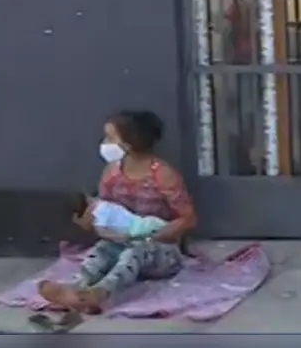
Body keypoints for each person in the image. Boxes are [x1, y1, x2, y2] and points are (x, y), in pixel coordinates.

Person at [39, 110, 196, 312]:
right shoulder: (112, 173)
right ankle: (77, 288)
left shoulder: (163, 175)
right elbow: (105, 212)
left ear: (129, 144)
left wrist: (156, 234)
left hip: (162, 250)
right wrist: (90, 222)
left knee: (136, 251)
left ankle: (101, 293)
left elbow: (188, 219)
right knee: (102, 250)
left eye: (110, 138)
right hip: (120, 241)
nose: (104, 143)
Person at [71, 192, 167, 240]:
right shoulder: (102, 204)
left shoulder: (99, 211)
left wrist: (122, 237)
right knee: (155, 227)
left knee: (154, 231)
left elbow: (102, 232)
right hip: (138, 222)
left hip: (134, 228)